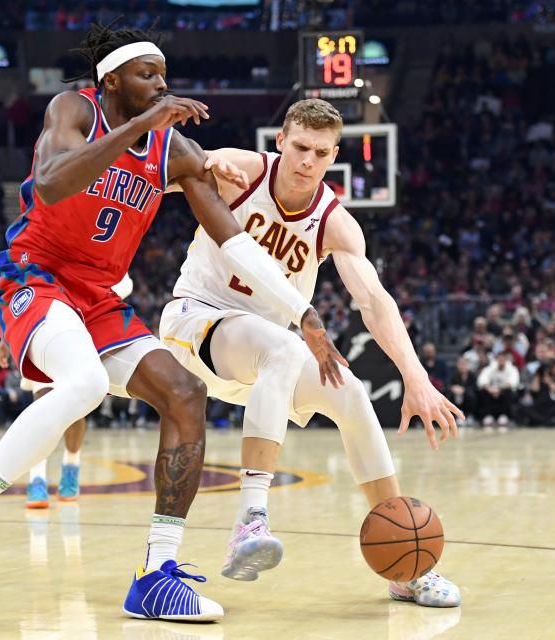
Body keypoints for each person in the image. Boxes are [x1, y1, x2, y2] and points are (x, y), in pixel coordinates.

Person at [0, 22, 342, 623]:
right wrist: (140, 126)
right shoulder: (74, 110)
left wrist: (305, 313)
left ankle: (156, 576)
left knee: (185, 394)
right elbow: (53, 183)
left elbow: (235, 241)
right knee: (83, 385)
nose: (162, 85)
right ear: (111, 79)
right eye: (148, 74)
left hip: (99, 297)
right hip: (32, 274)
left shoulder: (178, 152)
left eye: (165, 75)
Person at [160, 98, 463, 607]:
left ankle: (404, 564)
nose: (307, 160)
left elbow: (373, 300)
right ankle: (249, 521)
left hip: (263, 357)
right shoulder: (245, 172)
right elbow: (152, 176)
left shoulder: (335, 222)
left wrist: (415, 376)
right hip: (196, 324)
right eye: (299, 147)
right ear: (280, 142)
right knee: (282, 344)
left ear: (333, 156)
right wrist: (193, 161)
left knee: (352, 395)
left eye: (321, 153)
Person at [24, 273, 133, 508]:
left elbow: (124, 283)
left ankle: (71, 466)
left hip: (84, 331)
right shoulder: (45, 244)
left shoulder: (102, 252)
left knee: (76, 409)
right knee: (41, 405)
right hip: (44, 324)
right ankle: (37, 478)